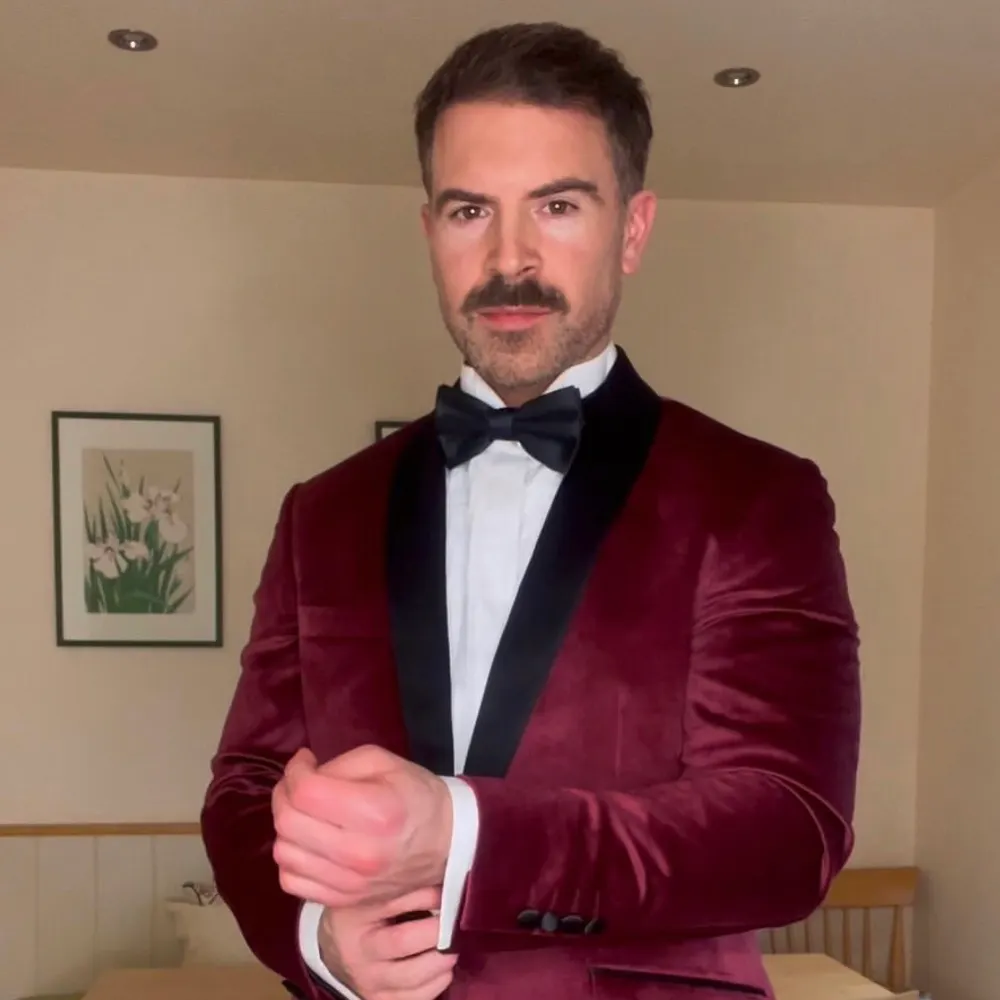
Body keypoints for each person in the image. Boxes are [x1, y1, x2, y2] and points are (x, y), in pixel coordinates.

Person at [201, 20, 862, 1000]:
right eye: (471, 210)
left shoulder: (760, 497)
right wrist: (318, 941)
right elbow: (244, 788)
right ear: (429, 231)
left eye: (556, 205)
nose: (509, 258)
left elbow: (789, 830)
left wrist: (463, 832)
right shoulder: (321, 513)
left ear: (632, 229)